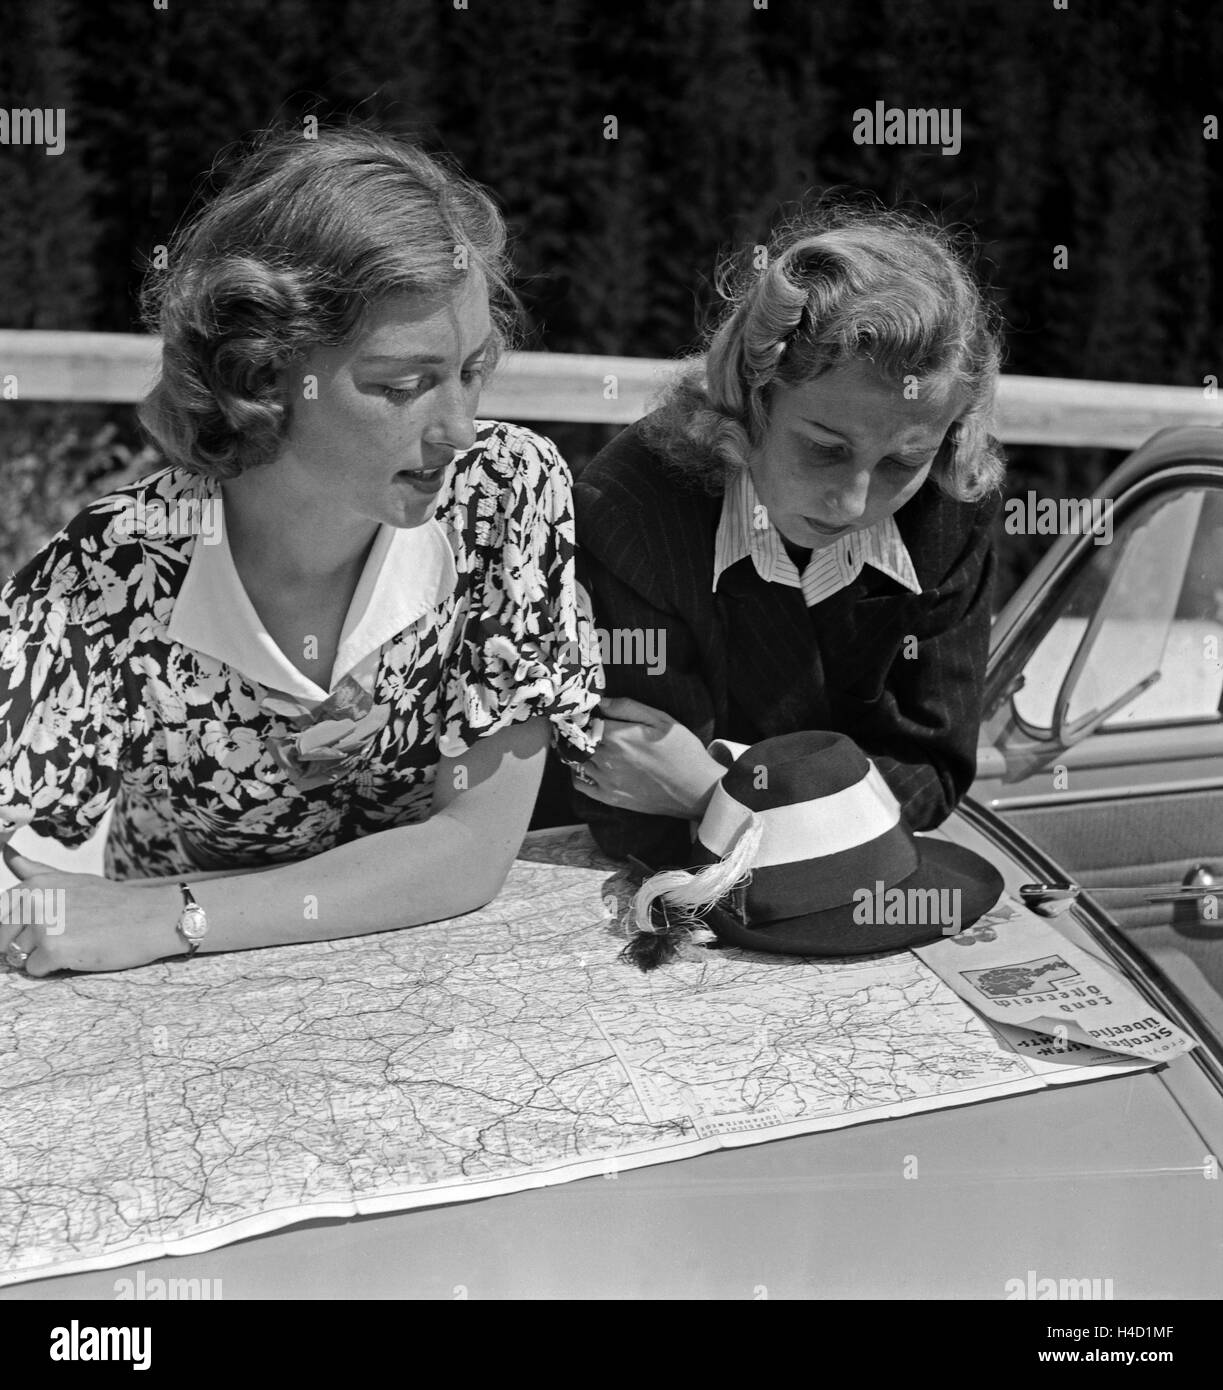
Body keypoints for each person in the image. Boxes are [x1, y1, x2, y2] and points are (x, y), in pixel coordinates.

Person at [0, 125, 602, 976]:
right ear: (260, 375)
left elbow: (471, 846)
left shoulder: (509, 491)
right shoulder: (117, 567)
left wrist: (171, 916)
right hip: (181, 1028)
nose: (459, 430)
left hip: (433, 1003)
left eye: (473, 369)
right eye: (401, 386)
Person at [570, 203, 1004, 868]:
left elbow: (931, 776)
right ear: (751, 398)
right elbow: (631, 812)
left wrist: (713, 793)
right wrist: (833, 800)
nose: (853, 500)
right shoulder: (631, 514)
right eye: (824, 449)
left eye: (900, 463)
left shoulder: (950, 510)